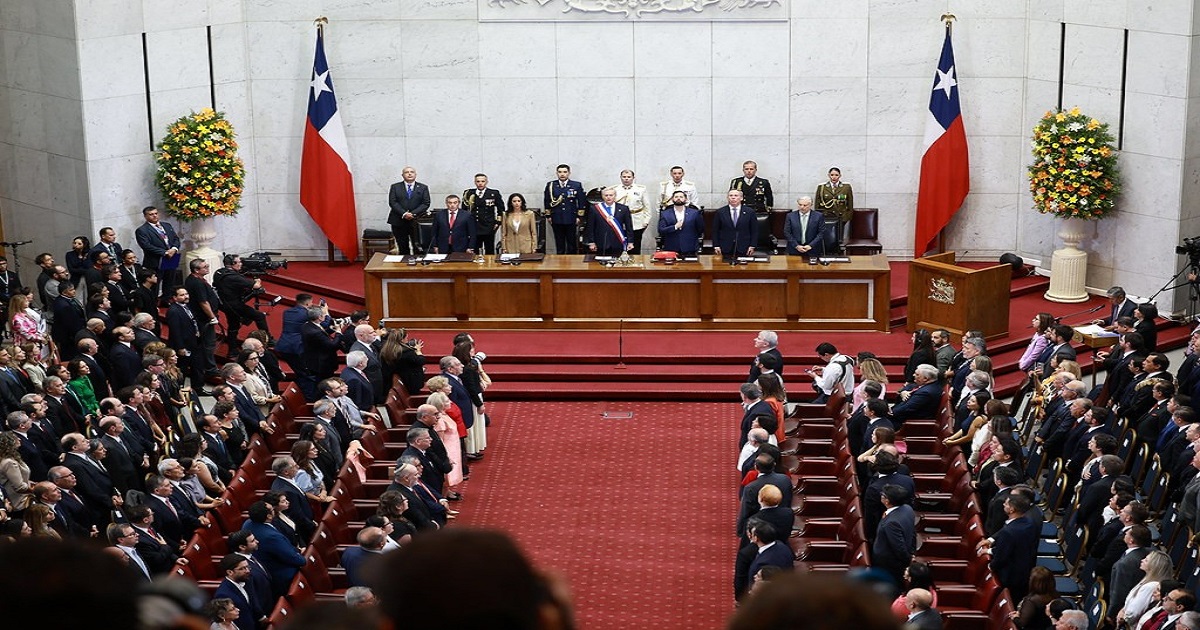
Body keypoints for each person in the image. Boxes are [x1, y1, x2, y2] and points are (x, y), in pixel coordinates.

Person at [979, 492, 1039, 602]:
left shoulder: (1009, 532)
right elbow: (1013, 547)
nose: (1003, 505)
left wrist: (989, 568)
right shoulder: (1029, 522)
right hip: (1024, 571)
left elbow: (1001, 557)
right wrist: (990, 550)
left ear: (1012, 510)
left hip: (1009, 577)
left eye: (1006, 504)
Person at [212, 254, 271, 349]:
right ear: (232, 263)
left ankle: (232, 350)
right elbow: (256, 286)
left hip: (224, 304)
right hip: (234, 305)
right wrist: (257, 280)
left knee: (233, 326)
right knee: (259, 316)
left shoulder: (219, 272)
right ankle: (268, 340)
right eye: (239, 262)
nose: (241, 264)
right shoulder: (233, 277)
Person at [134, 206, 182, 304]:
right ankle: (153, 303)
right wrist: (165, 252)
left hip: (171, 257)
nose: (154, 216)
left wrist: (174, 249)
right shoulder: (142, 230)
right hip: (156, 260)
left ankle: (166, 300)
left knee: (170, 280)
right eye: (151, 214)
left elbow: (176, 239)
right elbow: (146, 246)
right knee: (155, 284)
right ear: (146, 216)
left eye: (156, 213)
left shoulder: (167, 225)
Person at [387, 166, 432, 255]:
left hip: (416, 221)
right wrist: (404, 213)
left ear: (415, 174)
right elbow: (393, 202)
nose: (409, 174)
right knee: (402, 246)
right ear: (402, 175)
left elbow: (425, 203)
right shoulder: (395, 187)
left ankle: (417, 262)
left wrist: (412, 214)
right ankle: (404, 263)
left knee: (417, 247)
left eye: (412, 172)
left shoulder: (423, 187)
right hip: (398, 221)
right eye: (406, 172)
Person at [544, 163, 587, 255]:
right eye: (560, 172)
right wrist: (548, 216)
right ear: (557, 173)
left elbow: (581, 201)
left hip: (571, 218)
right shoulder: (551, 185)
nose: (562, 174)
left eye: (565, 172)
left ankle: (572, 262)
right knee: (559, 244)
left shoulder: (576, 185)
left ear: (569, 173)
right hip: (556, 218)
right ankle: (560, 261)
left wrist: (579, 217)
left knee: (572, 244)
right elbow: (547, 201)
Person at [814, 166, 853, 252]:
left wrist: (847, 217)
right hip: (826, 217)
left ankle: (838, 253)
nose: (834, 177)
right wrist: (818, 217)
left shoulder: (846, 187)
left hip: (841, 217)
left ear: (840, 176)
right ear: (829, 175)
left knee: (839, 238)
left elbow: (850, 203)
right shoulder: (822, 188)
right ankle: (826, 253)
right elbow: (817, 204)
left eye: (836, 175)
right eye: (832, 175)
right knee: (826, 237)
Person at [584, 187, 633, 256]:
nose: (608, 197)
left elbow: (629, 227)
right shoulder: (595, 209)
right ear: (602, 196)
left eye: (611, 195)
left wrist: (630, 242)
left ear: (615, 196)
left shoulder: (624, 208)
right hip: (601, 243)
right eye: (606, 195)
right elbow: (590, 226)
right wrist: (591, 242)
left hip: (618, 242)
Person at [213, 555, 257, 630]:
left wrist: (261, 617)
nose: (247, 571)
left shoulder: (246, 579)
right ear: (230, 572)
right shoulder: (223, 594)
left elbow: (253, 601)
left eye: (247, 567)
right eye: (242, 569)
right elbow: (228, 619)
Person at [463, 173, 504, 255]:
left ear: (486, 182)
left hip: (489, 226)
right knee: (475, 249)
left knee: (489, 249)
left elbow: (501, 209)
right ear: (475, 182)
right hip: (474, 225)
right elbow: (464, 210)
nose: (480, 183)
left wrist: (497, 222)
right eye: (478, 181)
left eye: (482, 181)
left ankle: (490, 263)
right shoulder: (469, 193)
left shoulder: (494, 193)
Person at [712, 189, 757, 259]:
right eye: (731, 195)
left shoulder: (750, 212)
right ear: (727, 198)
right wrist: (716, 245)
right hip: (725, 247)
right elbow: (715, 230)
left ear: (741, 198)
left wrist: (752, 245)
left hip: (744, 247)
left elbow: (754, 230)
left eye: (736, 195)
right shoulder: (720, 212)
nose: (733, 197)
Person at [656, 189, 703, 257]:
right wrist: (674, 227)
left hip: (690, 247)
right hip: (671, 248)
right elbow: (661, 230)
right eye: (676, 197)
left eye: (681, 197)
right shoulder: (665, 213)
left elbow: (700, 229)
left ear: (686, 199)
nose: (678, 198)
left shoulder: (695, 213)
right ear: (672, 199)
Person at [380, 327, 426, 396]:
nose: (407, 340)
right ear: (402, 339)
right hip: (410, 382)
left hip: (390, 380)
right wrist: (418, 351)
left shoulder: (385, 349)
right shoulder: (407, 352)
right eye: (406, 338)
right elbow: (421, 360)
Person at [614, 170, 651, 253]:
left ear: (633, 178)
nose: (626, 179)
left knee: (636, 245)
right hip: (620, 221)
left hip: (636, 220)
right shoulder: (615, 189)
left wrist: (646, 220)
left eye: (629, 177)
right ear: (620, 178)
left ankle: (635, 260)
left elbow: (647, 206)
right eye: (624, 177)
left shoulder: (641, 189)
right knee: (620, 245)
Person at [1011, 565, 1056, 630]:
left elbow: (1022, 623)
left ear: (1034, 582)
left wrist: (1015, 617)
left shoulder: (1032, 601)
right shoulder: (1055, 594)